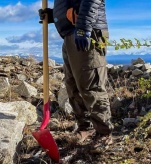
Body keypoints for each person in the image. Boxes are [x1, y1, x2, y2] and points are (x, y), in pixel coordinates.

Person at [39, 0, 113, 148]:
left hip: (87, 31)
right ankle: (85, 127)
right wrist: (53, 15)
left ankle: (104, 133)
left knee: (91, 85)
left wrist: (83, 27)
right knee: (72, 85)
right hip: (70, 33)